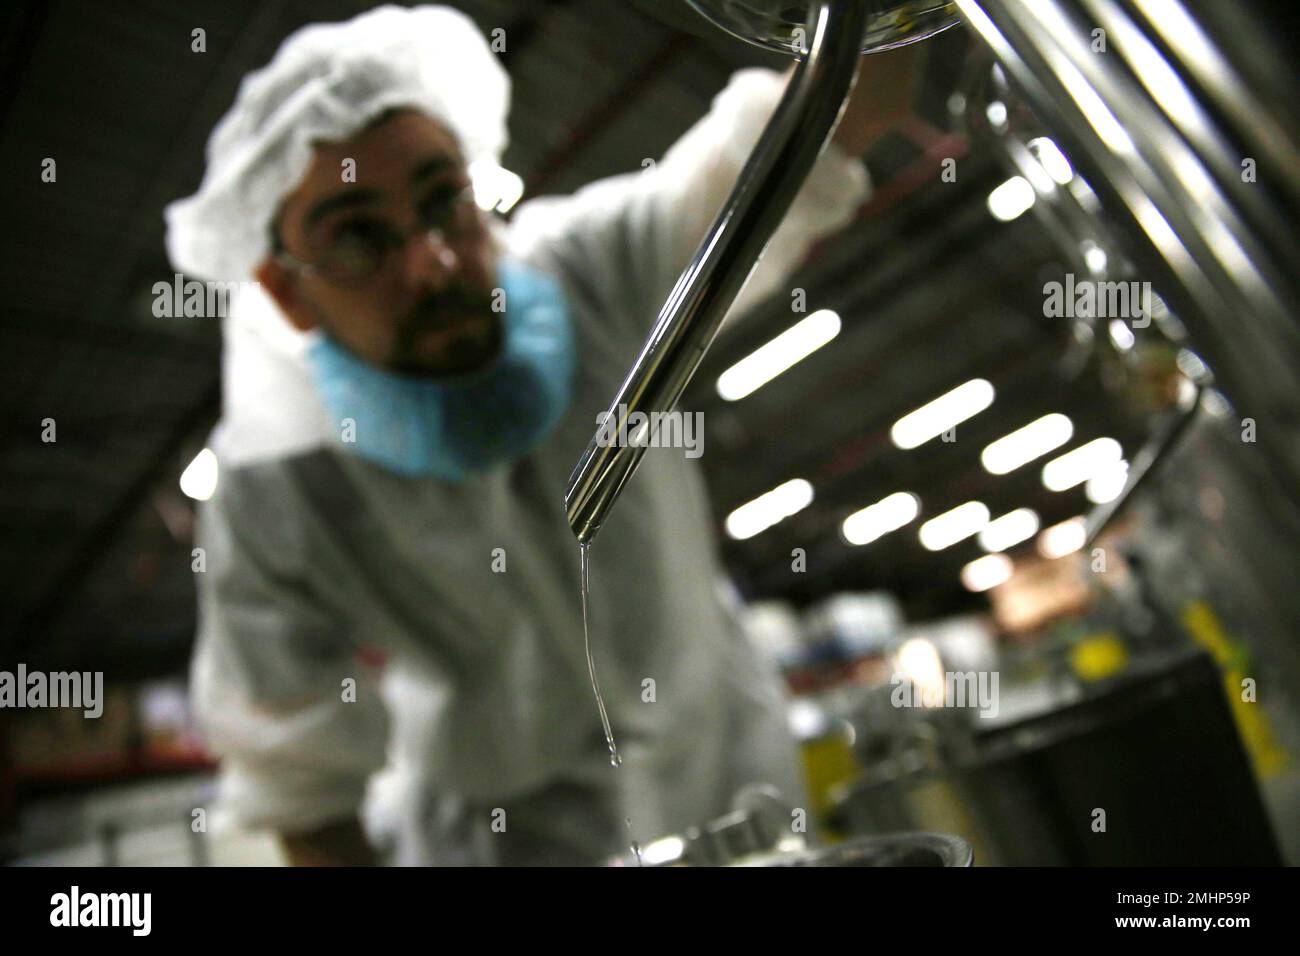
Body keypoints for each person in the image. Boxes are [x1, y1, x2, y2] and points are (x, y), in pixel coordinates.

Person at [165, 4, 917, 865]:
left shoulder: (592, 270)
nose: (433, 264)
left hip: (734, 783)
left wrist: (876, 17)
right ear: (287, 290)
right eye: (358, 239)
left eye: (444, 200)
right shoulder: (276, 482)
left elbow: (833, 120)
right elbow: (302, 788)